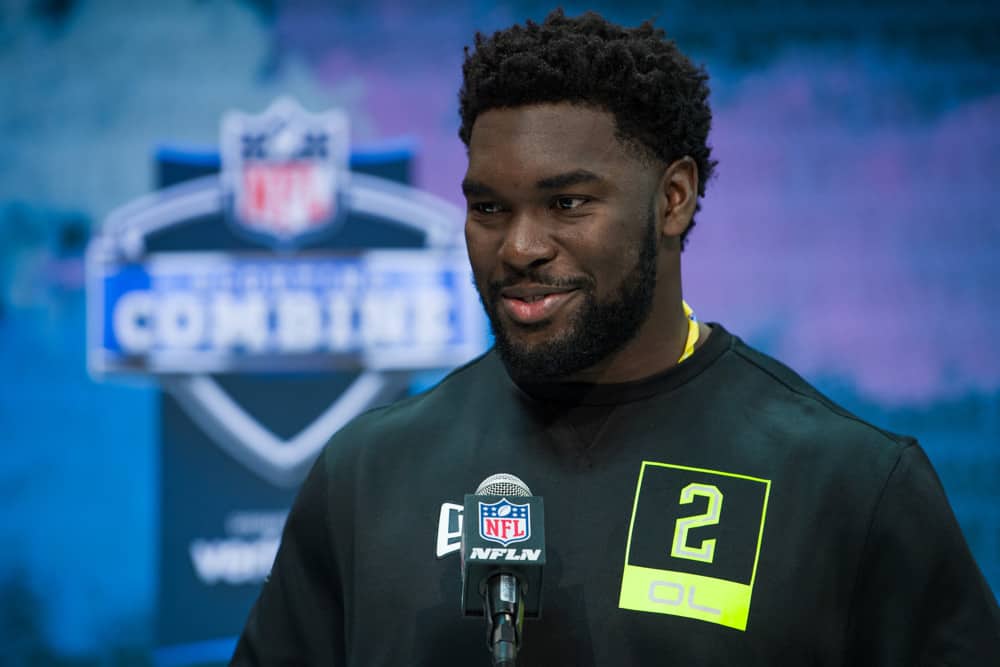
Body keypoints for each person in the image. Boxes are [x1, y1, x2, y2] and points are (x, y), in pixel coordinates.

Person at [232, 10, 1000, 665]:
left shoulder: (850, 483)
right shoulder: (368, 473)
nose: (520, 247)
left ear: (673, 198)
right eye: (490, 208)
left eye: (566, 203)